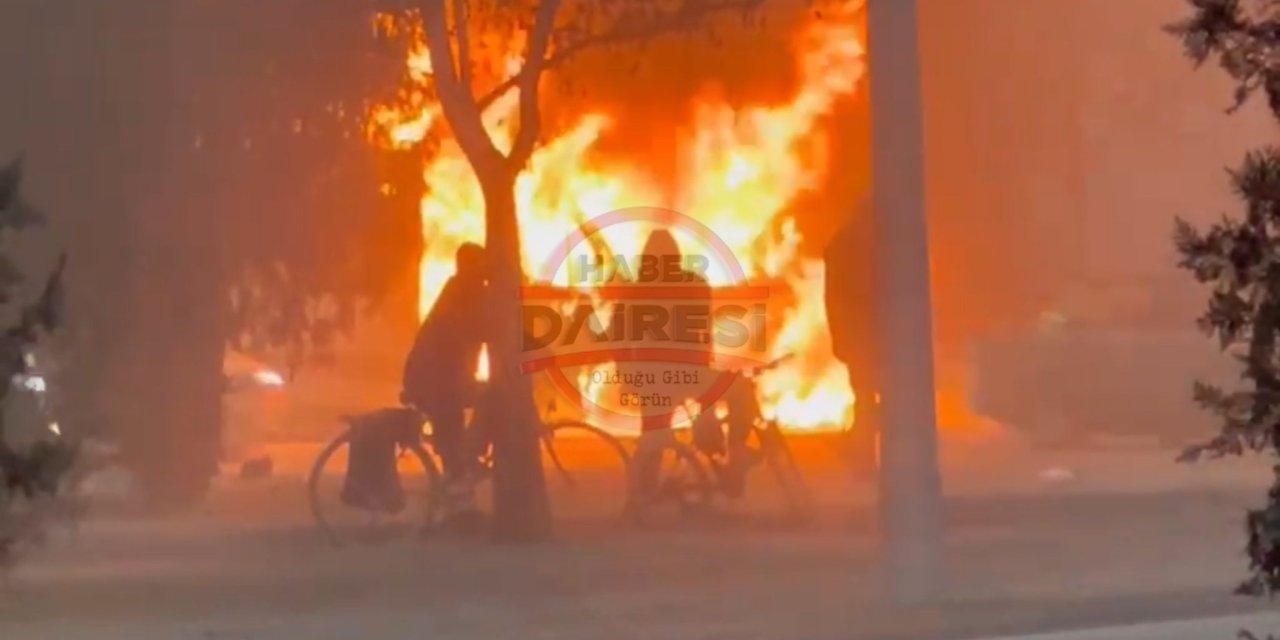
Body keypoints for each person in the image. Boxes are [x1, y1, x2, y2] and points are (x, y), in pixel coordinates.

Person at [401, 243, 490, 511]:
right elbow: (486, 329)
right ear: (471, 267)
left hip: (439, 379)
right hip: (437, 382)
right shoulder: (465, 295)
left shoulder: (461, 291)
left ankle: (459, 492)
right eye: (481, 266)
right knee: (491, 397)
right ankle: (468, 459)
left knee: (452, 443)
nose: (486, 272)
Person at [823, 202, 882, 480]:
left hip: (859, 334)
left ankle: (862, 454)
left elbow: (833, 298)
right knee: (873, 397)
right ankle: (863, 454)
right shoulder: (876, 244)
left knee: (866, 397)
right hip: (873, 334)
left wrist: (839, 335)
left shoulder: (842, 244)